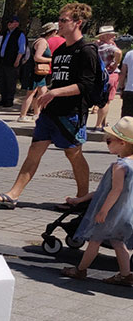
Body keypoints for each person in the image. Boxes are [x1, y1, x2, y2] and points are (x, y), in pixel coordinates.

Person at [0, 2, 97, 209]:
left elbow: (86, 85)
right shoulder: (62, 49)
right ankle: (14, 194)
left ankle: (82, 198)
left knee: (73, 154)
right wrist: (48, 91)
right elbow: (58, 78)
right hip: (51, 111)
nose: (59, 24)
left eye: (64, 20)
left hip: (71, 112)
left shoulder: (86, 50)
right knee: (34, 151)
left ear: (78, 23)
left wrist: (55, 92)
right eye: (60, 19)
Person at [59, 115, 133, 285]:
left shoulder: (119, 166)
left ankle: (80, 270)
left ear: (123, 143)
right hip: (125, 212)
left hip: (111, 212)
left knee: (94, 240)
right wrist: (81, 199)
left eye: (109, 141)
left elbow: (114, 190)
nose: (106, 143)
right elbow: (106, 190)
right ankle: (125, 274)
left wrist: (103, 210)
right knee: (118, 242)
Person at [18, 22, 55, 123]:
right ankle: (23, 115)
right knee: (31, 93)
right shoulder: (42, 42)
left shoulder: (40, 41)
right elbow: (37, 57)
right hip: (34, 71)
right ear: (51, 32)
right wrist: (50, 60)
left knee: (42, 91)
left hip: (39, 73)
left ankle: (37, 113)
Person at [92, 25, 121, 131]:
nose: (113, 36)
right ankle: (98, 124)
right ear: (106, 36)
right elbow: (118, 52)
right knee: (106, 101)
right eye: (112, 35)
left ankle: (103, 122)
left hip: (98, 75)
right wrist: (115, 64)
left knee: (101, 98)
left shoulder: (96, 46)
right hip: (110, 74)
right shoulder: (109, 47)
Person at [0, 15, 25, 108]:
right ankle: (3, 99)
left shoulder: (20, 34)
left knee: (10, 81)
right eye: (8, 22)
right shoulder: (6, 33)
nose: (9, 24)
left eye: (11, 22)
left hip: (12, 61)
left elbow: (22, 49)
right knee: (3, 81)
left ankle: (9, 100)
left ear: (16, 23)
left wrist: (17, 60)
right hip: (3, 60)